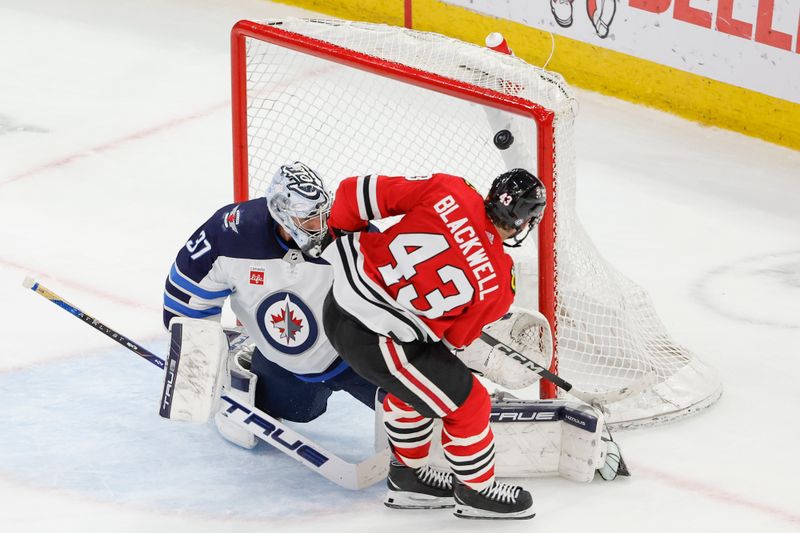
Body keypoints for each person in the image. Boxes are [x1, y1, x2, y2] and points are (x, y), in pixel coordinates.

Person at [321, 169, 546, 520]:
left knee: (420, 385)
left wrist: (336, 236)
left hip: (337, 302)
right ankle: (477, 491)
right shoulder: (500, 282)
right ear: (523, 222)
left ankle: (409, 480)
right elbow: (455, 339)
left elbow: (352, 193)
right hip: (378, 340)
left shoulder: (449, 189)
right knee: (469, 402)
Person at [162, 161, 378, 447]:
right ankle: (251, 368)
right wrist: (197, 369)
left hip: (356, 359)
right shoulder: (231, 234)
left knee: (420, 408)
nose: (319, 226)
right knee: (297, 411)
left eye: (321, 215)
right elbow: (185, 294)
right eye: (307, 219)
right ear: (280, 213)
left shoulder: (351, 235)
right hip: (283, 365)